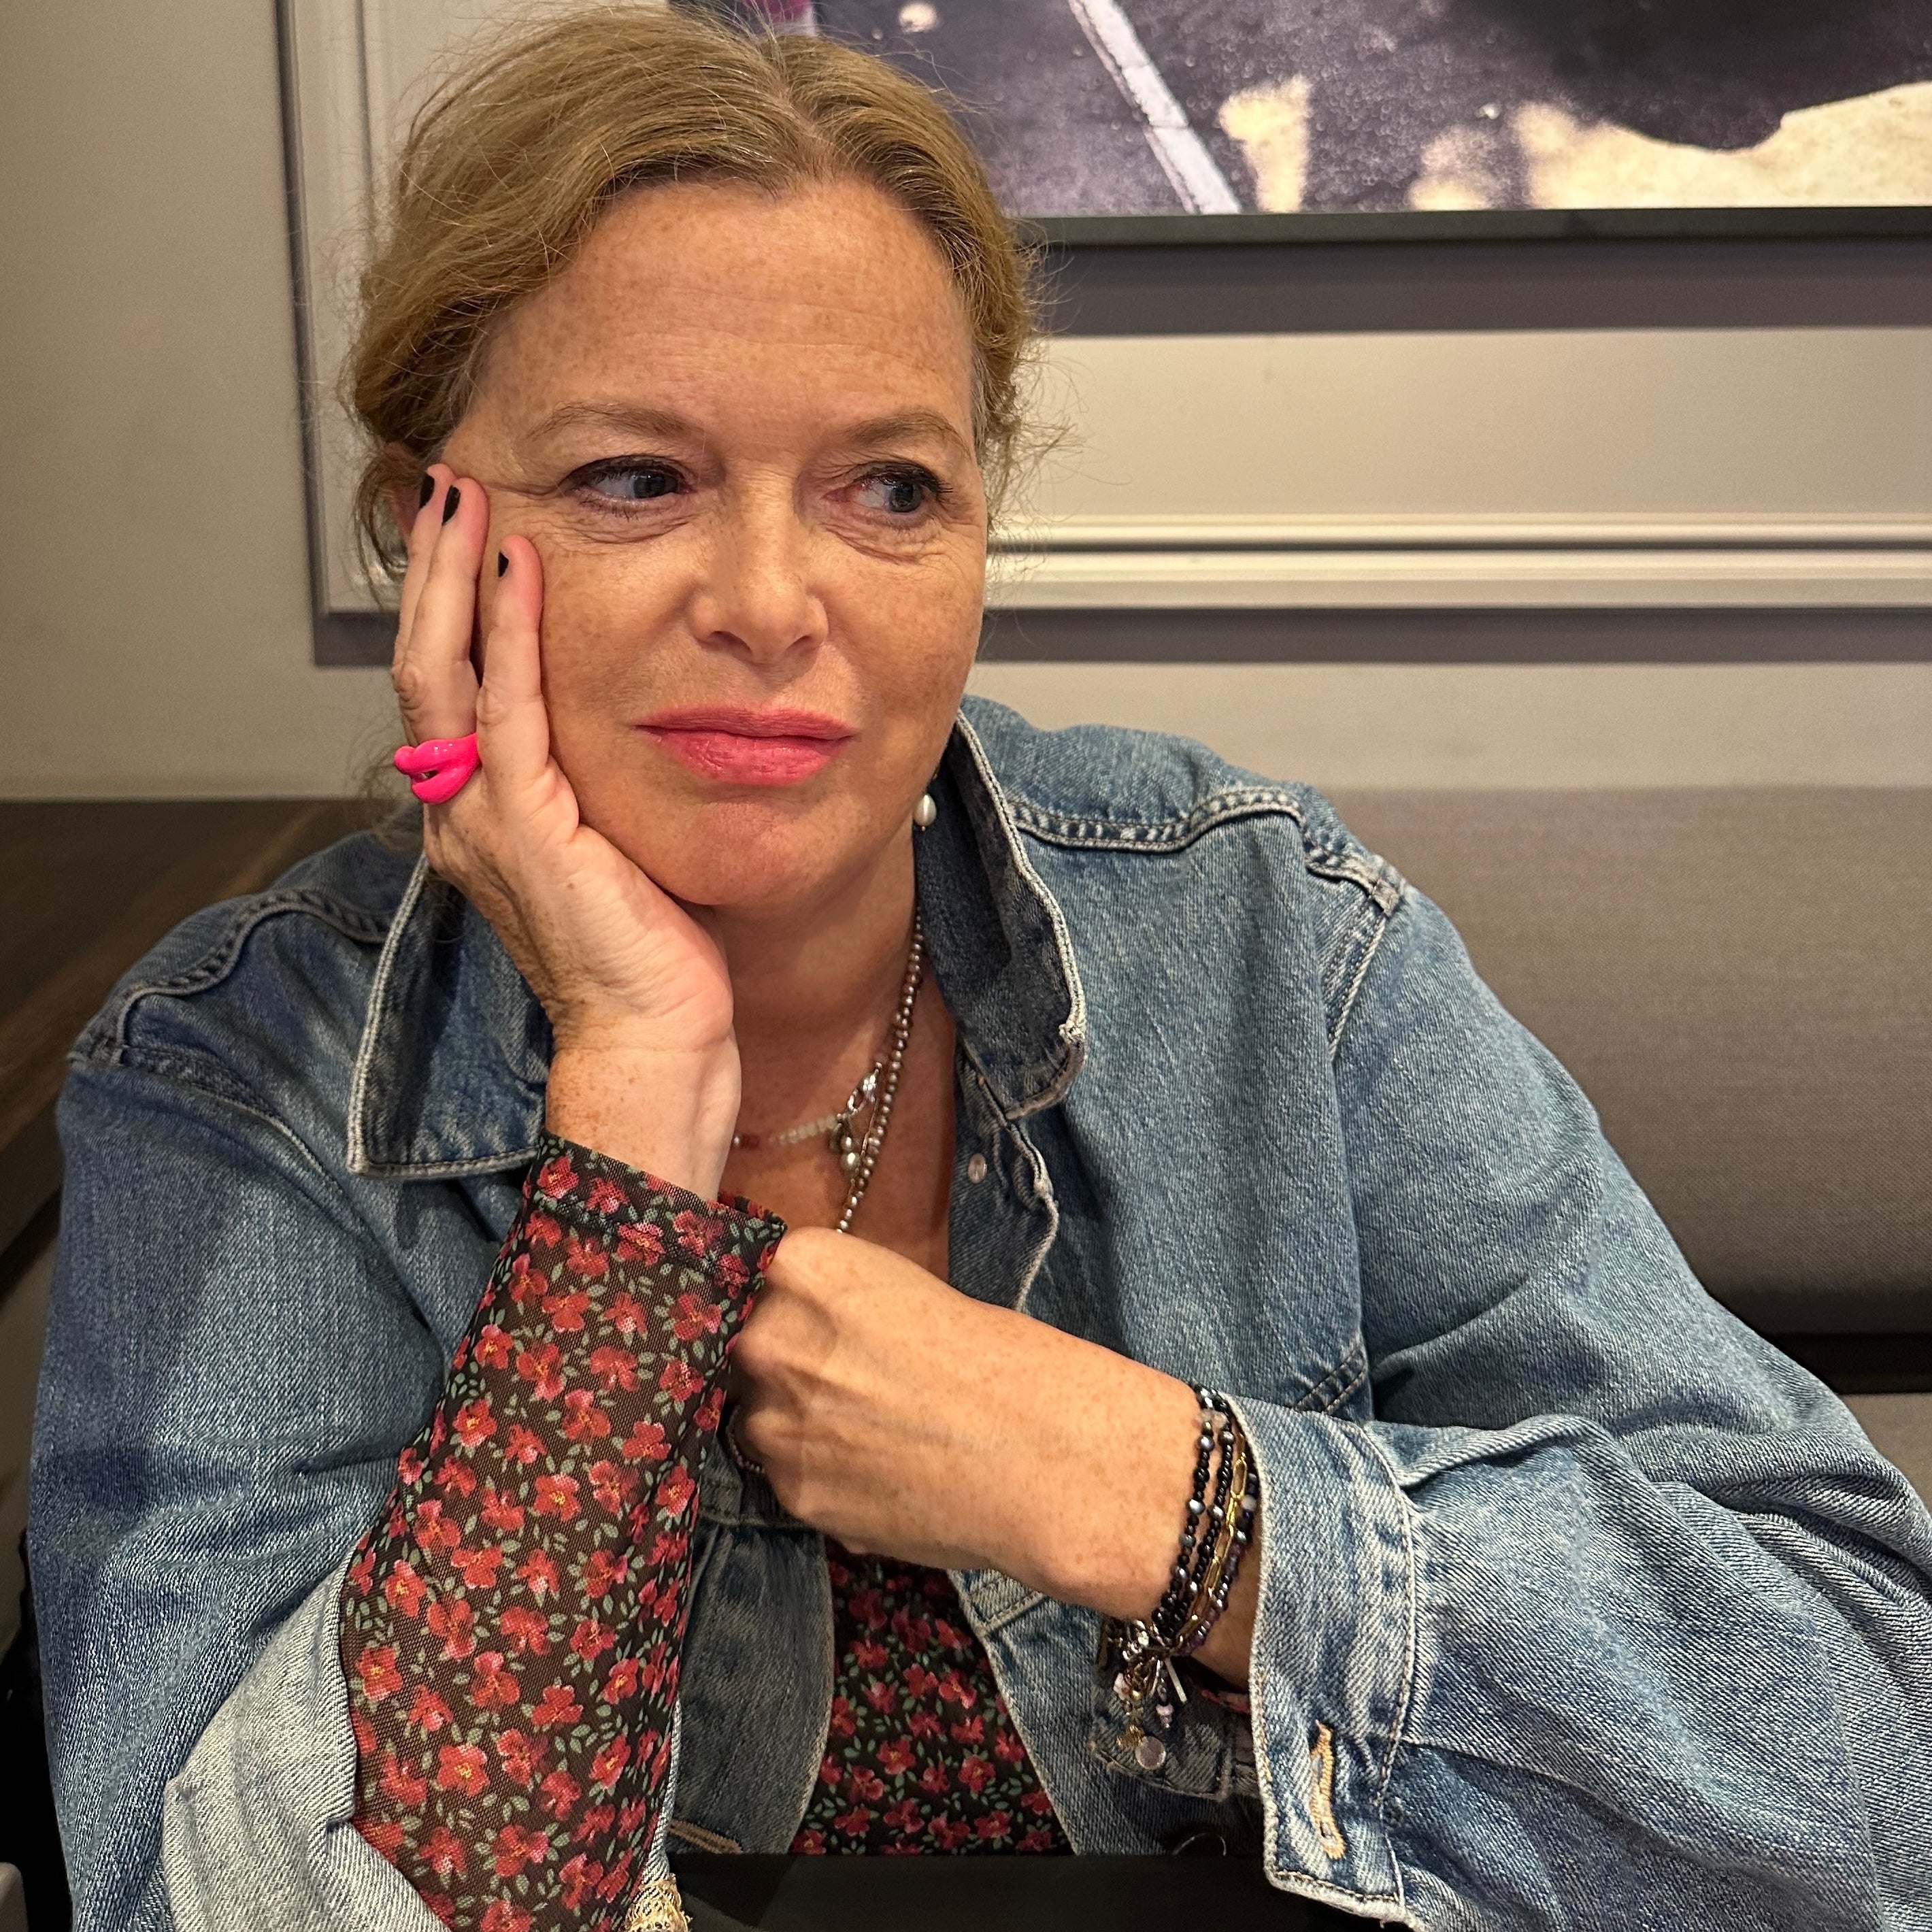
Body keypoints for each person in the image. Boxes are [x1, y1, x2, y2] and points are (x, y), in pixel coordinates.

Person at [29, 8, 1932, 1931]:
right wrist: (625, 1119)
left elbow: (1877, 1742)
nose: (770, 603)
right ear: (425, 539)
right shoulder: (235, 1072)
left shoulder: (1264, 936)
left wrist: (1153, 1491)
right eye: (633, 478)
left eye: (890, 490)